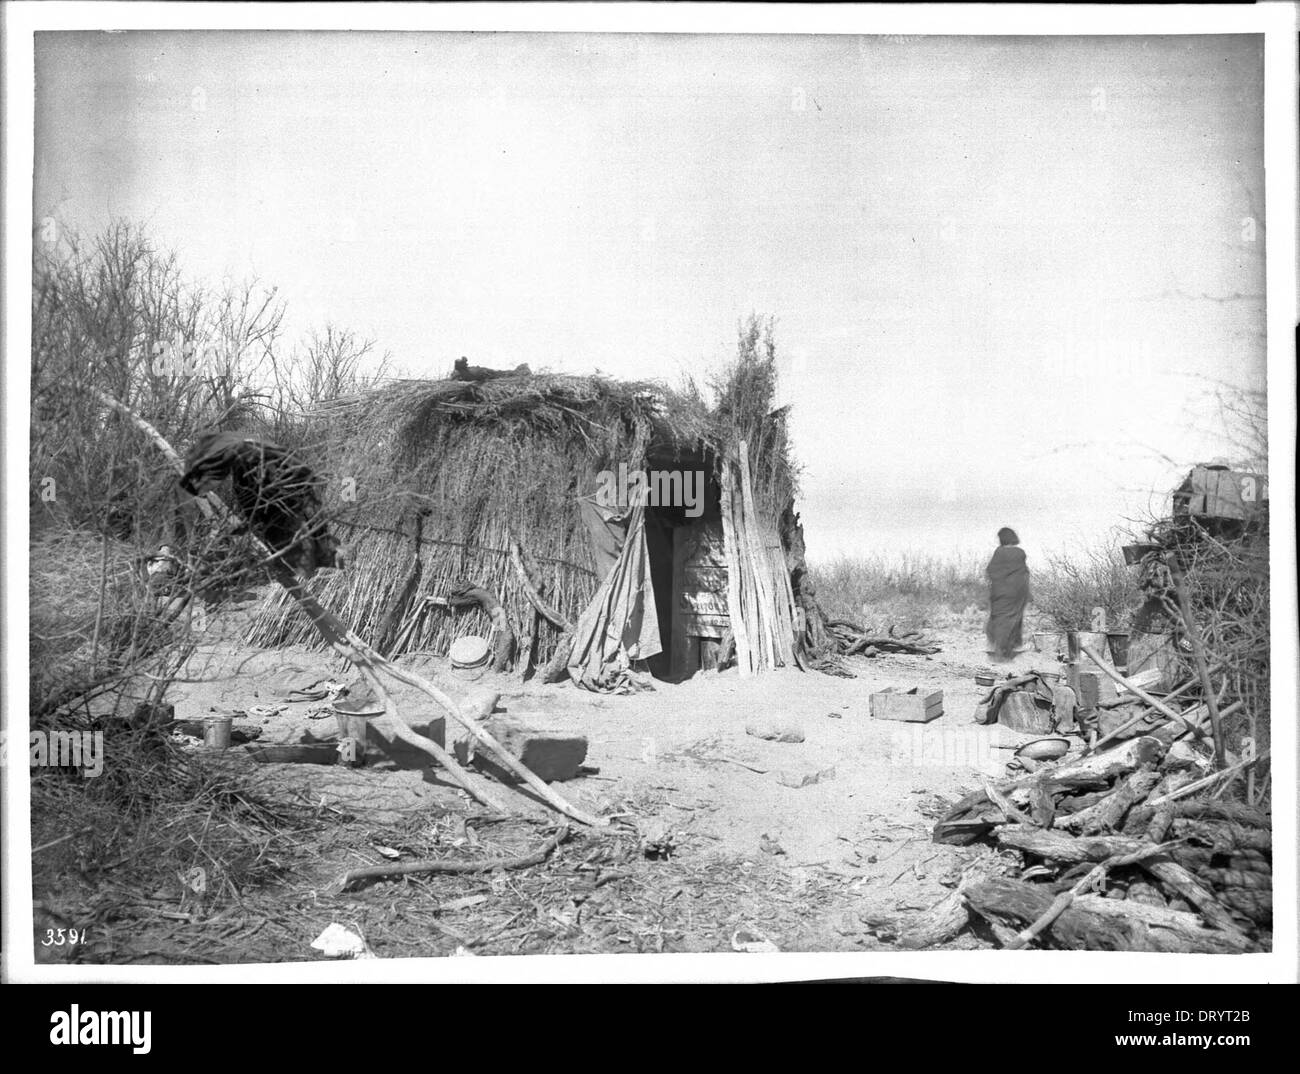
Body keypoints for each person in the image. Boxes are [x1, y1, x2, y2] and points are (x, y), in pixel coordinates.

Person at [985, 527, 1030, 662]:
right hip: (1018, 593)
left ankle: (1000, 653)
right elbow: (1024, 573)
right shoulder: (1020, 553)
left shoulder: (1000, 552)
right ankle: (1008, 650)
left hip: (1001, 593)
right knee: (1013, 620)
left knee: (1000, 620)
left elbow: (991, 571)